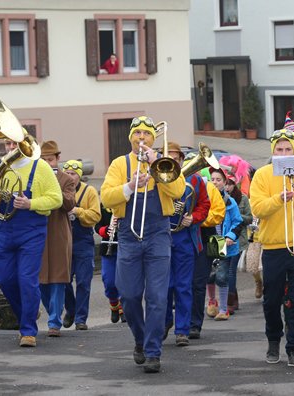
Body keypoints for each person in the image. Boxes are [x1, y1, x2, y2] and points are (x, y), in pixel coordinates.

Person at [100, 116, 185, 373]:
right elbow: (106, 197)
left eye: (146, 135)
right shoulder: (119, 164)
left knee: (158, 297)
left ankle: (152, 352)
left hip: (158, 233)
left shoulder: (162, 162)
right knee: (129, 295)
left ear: (153, 139)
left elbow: (179, 191)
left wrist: (156, 168)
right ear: (131, 139)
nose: (141, 138)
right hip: (129, 234)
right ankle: (140, 338)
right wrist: (128, 186)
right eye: (137, 134)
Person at [250, 129, 294, 368]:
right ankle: (273, 339)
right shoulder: (262, 174)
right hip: (273, 247)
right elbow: (258, 208)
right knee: (272, 300)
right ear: (274, 152)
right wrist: (277, 199)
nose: (283, 154)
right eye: (279, 150)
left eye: (288, 150)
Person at [0, 132, 62, 349]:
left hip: (31, 230)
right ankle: (29, 311)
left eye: (15, 143)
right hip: (5, 229)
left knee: (26, 279)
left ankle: (28, 330)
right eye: (8, 143)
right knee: (3, 279)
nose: (11, 147)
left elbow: (56, 198)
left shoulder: (40, 166)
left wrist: (31, 203)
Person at [164, 142, 210, 347]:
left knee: (184, 286)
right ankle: (165, 322)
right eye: (169, 158)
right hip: (162, 239)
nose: (173, 162)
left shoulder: (196, 180)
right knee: (164, 286)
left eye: (176, 159)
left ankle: (182, 330)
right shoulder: (158, 178)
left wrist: (194, 217)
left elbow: (204, 205)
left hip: (185, 238)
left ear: (182, 160)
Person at [38, 141, 77, 338]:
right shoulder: (34, 175)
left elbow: (70, 203)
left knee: (58, 278)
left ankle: (54, 321)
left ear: (57, 159)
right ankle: (51, 312)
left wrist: (53, 188)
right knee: (41, 279)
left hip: (59, 232)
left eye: (50, 159)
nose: (46, 162)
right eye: (43, 159)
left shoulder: (66, 179)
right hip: (38, 232)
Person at [62, 160, 101, 331]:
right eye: (67, 174)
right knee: (63, 280)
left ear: (79, 176)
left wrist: (78, 212)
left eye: (73, 174)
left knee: (84, 281)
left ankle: (80, 318)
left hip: (83, 240)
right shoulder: (59, 190)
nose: (70, 177)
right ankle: (71, 309)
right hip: (63, 240)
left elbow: (95, 215)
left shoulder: (89, 191)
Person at [190, 174, 225, 338]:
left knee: (200, 282)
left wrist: (197, 219)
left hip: (206, 238)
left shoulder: (210, 188)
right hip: (184, 237)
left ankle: (195, 324)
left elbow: (219, 214)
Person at [209, 168, 243, 320]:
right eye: (213, 179)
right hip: (210, 240)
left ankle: (223, 309)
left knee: (222, 276)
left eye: (218, 179)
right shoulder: (205, 197)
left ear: (224, 182)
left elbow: (238, 222)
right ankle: (212, 302)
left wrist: (230, 236)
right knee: (209, 276)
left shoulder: (230, 201)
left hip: (224, 242)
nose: (215, 182)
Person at [225, 175, 252, 312]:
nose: (227, 187)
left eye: (230, 184)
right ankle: (232, 298)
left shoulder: (242, 198)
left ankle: (230, 302)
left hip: (238, 239)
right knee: (223, 270)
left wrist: (235, 215)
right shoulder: (220, 197)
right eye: (226, 184)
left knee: (231, 270)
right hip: (223, 238)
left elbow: (250, 217)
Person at [95, 205, 125, 323]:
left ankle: (123, 307)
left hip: (125, 246)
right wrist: (104, 230)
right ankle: (114, 304)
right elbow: (97, 226)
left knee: (125, 280)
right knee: (109, 281)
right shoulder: (105, 207)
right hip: (108, 246)